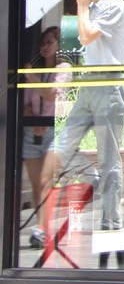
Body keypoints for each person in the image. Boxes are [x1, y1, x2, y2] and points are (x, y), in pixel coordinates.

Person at [39, 0, 124, 232]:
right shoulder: (91, 6)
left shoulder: (113, 5)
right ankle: (94, 180)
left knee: (109, 158)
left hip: (109, 83)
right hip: (90, 83)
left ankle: (110, 220)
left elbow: (86, 36)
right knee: (61, 148)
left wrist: (81, 5)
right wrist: (83, 5)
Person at [20, 26, 64, 248]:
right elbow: (26, 102)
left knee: (47, 181)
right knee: (36, 183)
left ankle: (43, 228)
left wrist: (30, 75)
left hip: (52, 131)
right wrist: (31, 118)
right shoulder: (36, 70)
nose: (45, 47)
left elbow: (51, 94)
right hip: (31, 130)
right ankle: (40, 227)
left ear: (58, 45)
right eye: (42, 43)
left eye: (50, 43)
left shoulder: (63, 69)